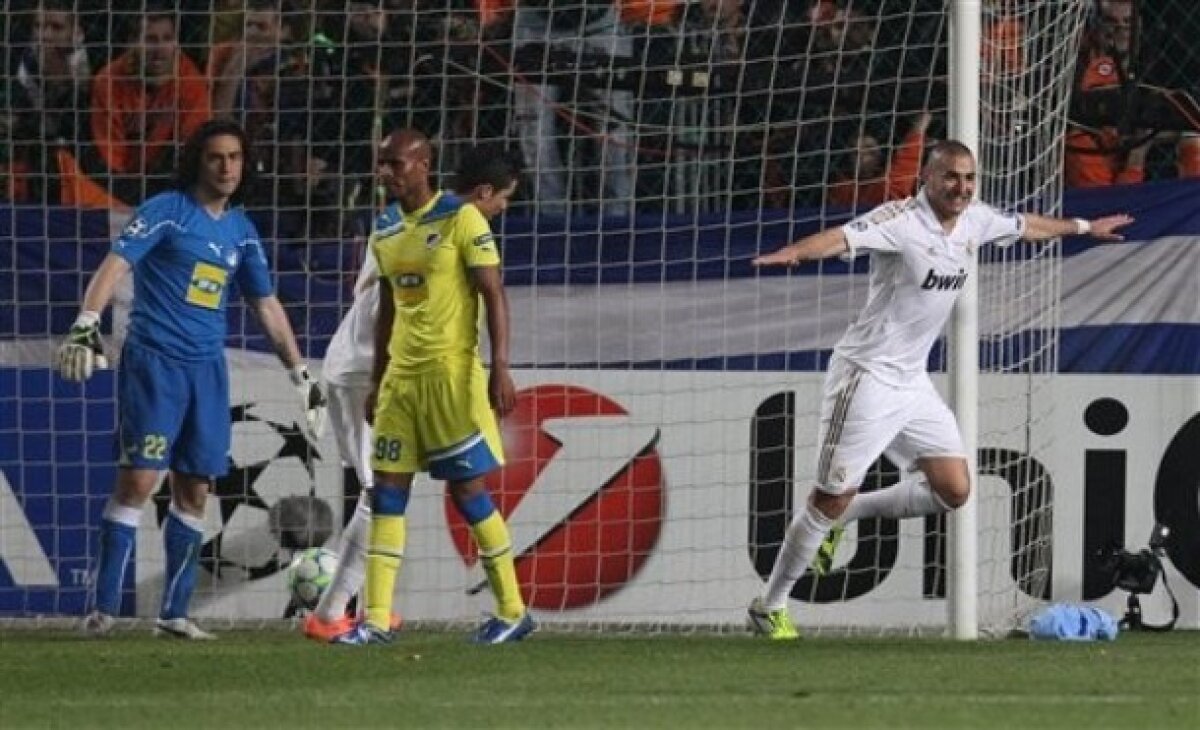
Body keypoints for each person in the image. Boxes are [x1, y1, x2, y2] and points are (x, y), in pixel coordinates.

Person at [746, 140, 1133, 639]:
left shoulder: (974, 220)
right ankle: (770, 604)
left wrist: (1085, 228)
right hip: (865, 376)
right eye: (951, 176)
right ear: (925, 178)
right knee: (828, 497)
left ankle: (846, 518)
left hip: (911, 382)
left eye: (969, 178)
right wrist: (795, 253)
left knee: (953, 490)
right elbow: (842, 237)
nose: (961, 187)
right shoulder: (901, 220)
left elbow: (1026, 225)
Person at [60, 119, 327, 639]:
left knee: (196, 490)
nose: (227, 167)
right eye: (216, 158)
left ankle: (174, 615)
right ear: (197, 162)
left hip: (208, 370)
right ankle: (103, 610)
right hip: (155, 362)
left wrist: (300, 372)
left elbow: (266, 304)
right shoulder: (167, 211)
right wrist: (86, 322)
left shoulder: (241, 231)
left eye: (235, 158)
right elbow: (115, 264)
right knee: (139, 480)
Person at [302, 143, 522, 643]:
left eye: (393, 163)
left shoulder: (457, 222)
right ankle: (356, 616)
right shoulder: (389, 227)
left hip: (425, 376)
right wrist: (380, 377)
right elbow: (388, 308)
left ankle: (510, 609)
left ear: (424, 166)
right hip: (378, 373)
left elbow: (490, 292)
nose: (383, 172)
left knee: (453, 491)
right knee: (384, 493)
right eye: (381, 163)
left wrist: (499, 366)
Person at [89, 5, 211, 206]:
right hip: (118, 185)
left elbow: (194, 149)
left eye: (167, 39)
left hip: (171, 181)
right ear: (132, 43)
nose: (160, 50)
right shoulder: (108, 81)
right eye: (150, 39)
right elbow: (109, 161)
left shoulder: (190, 80)